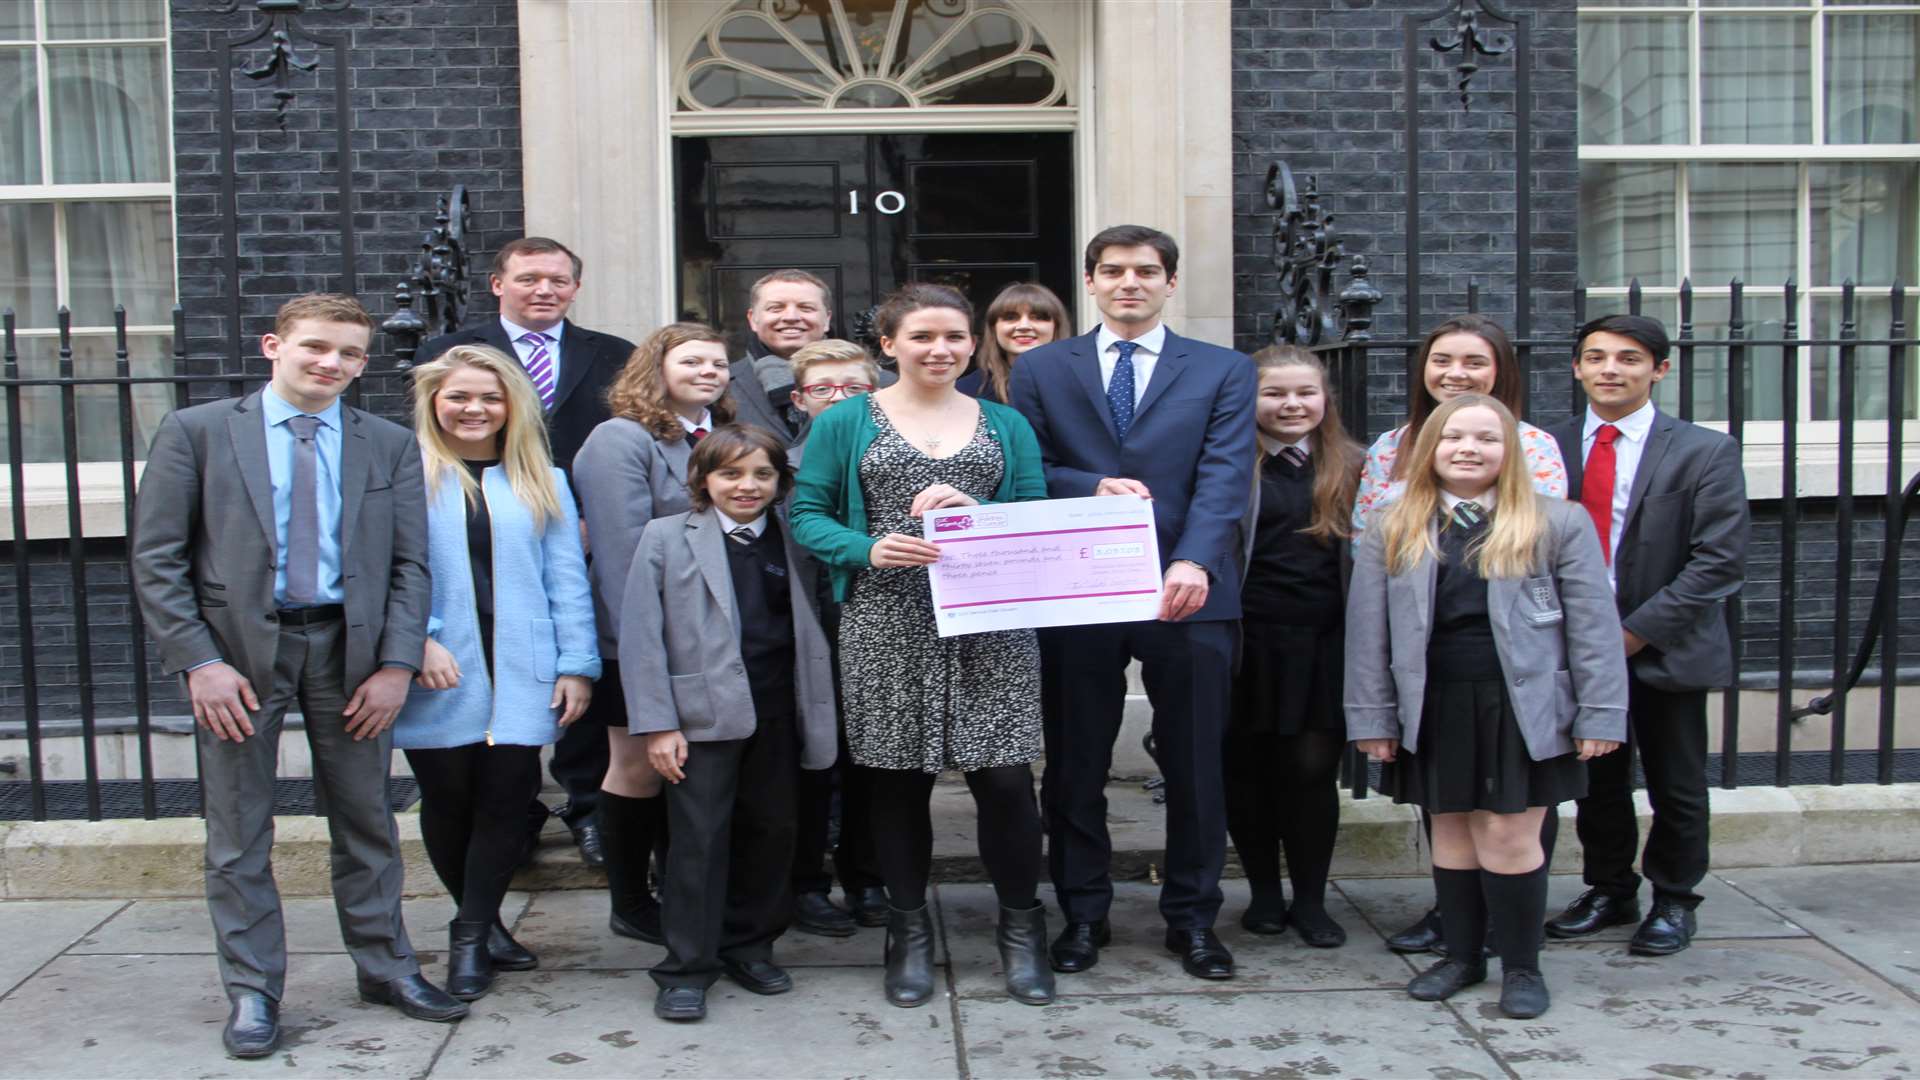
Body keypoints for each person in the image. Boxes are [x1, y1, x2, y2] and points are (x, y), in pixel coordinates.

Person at [131, 293, 465, 1058]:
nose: (333, 364)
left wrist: (396, 663)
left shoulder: (382, 441)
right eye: (317, 347)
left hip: (348, 655)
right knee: (239, 831)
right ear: (272, 345)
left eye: (350, 354)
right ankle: (253, 990)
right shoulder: (201, 432)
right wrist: (200, 663)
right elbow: (157, 560)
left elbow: (413, 563)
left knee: (368, 821)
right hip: (239, 659)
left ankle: (386, 968)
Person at [791, 282, 1055, 1009]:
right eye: (922, 338)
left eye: (955, 337)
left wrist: (981, 511)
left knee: (1004, 778)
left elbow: (1034, 511)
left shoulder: (1005, 422)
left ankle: (1021, 928)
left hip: (991, 618)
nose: (940, 349)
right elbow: (806, 514)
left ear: (974, 343)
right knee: (897, 780)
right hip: (884, 618)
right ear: (889, 345)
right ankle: (907, 932)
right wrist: (865, 549)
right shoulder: (845, 421)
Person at [1008, 225, 1257, 982]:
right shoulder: (1043, 367)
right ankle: (1083, 915)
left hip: (1187, 587)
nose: (1129, 283)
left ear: (1171, 283)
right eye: (1113, 271)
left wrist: (1194, 559)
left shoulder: (1223, 369)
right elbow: (1028, 468)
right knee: (1076, 762)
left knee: (1194, 764)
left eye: (1146, 271)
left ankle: (1193, 919)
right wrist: (1089, 487)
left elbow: (1224, 474)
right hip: (1077, 586)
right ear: (1089, 281)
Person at [1345, 393, 1628, 1020]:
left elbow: (1593, 627)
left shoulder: (1558, 522)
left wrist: (1600, 714)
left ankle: (1522, 968)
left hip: (1521, 707)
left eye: (1486, 438)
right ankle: (1462, 956)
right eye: (1452, 437)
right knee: (1451, 832)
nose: (1468, 449)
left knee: (1507, 833)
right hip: (1436, 702)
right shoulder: (1395, 525)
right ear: (1428, 449)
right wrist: (1373, 718)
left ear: (1512, 451)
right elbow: (1369, 630)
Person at [1350, 314, 1570, 955]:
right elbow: (1371, 549)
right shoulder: (1391, 448)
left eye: (1474, 362)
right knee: (1446, 805)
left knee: (1515, 811)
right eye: (1442, 360)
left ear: (1501, 370)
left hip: (1512, 659)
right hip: (1426, 651)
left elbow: (1543, 555)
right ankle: (1457, 922)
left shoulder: (1533, 444)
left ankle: (1512, 922)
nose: (1456, 373)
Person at [416, 236, 636, 870]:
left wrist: (593, 519)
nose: (545, 289)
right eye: (530, 278)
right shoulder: (448, 354)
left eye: (559, 280)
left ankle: (588, 805)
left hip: (588, 533)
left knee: (582, 667)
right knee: (496, 671)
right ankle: (520, 817)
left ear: (575, 288)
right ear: (498, 284)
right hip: (488, 532)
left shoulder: (614, 355)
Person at [394, 345, 600, 1001]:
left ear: (512, 404)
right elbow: (391, 572)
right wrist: (416, 642)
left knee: (508, 799)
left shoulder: (544, 477)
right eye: (458, 396)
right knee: (449, 801)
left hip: (523, 664)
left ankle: (468, 936)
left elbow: (567, 580)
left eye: (489, 397)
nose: (473, 409)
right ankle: (483, 925)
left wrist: (576, 665)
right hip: (439, 667)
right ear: (434, 401)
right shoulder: (405, 475)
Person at [1543, 314, 1749, 956]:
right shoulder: (1549, 448)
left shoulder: (1704, 450)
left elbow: (1718, 561)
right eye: (1596, 357)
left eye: (1629, 358)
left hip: (1665, 646)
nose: (1611, 369)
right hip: (1573, 645)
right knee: (1596, 778)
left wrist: (1632, 633)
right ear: (1577, 368)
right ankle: (1609, 888)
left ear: (1659, 369)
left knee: (1675, 781)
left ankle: (1675, 899)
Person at [621, 426, 839, 1021]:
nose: (747, 486)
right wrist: (658, 724)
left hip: (779, 710)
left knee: (773, 833)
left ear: (780, 482)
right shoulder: (666, 537)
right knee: (698, 841)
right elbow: (642, 638)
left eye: (762, 475)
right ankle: (687, 966)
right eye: (731, 474)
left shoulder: (795, 540)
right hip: (699, 718)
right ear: (703, 480)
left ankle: (750, 944)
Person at [572, 322, 735, 947]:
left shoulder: (717, 439)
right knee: (637, 763)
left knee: (683, 766)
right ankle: (630, 900)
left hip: (709, 637)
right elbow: (619, 556)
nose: (708, 372)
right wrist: (641, 648)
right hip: (639, 637)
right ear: (655, 369)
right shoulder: (621, 440)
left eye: (718, 364)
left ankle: (679, 890)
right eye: (692, 361)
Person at [1225, 346, 1364, 949]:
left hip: (1324, 642)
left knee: (1310, 772)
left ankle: (1311, 899)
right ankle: (1262, 893)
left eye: (1304, 393)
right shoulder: (1228, 464)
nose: (1291, 405)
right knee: (1247, 772)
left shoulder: (1355, 466)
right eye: (1275, 393)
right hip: (1245, 641)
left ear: (1324, 398)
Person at [783, 339, 888, 936]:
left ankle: (867, 876)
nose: (838, 399)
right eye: (823, 389)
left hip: (879, 627)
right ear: (800, 400)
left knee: (871, 760)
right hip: (808, 629)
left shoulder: (901, 457)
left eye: (854, 388)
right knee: (810, 762)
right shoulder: (778, 466)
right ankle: (805, 882)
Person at [740, 269, 835, 438]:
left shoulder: (879, 384)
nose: (791, 317)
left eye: (806, 308)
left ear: (827, 319)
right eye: (776, 308)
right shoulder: (719, 386)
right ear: (753, 319)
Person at [958, 282, 1074, 404]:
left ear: (1056, 326)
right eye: (1010, 317)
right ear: (994, 328)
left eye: (1038, 317)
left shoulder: (1081, 385)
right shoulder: (965, 392)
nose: (1024, 326)